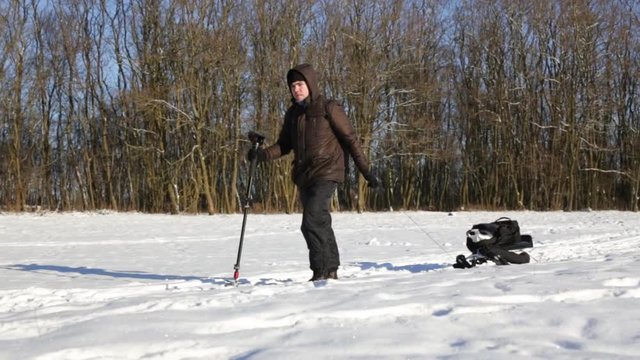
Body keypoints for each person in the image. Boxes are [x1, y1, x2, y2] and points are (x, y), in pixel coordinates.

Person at [248, 63, 378, 281]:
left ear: (310, 84)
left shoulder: (329, 108)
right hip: (304, 175)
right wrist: (261, 156)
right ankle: (326, 271)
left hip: (328, 171)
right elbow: (284, 145)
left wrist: (366, 171)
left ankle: (324, 271)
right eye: (292, 86)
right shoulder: (292, 115)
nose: (296, 89)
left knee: (312, 218)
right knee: (318, 222)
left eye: (300, 84)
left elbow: (351, 139)